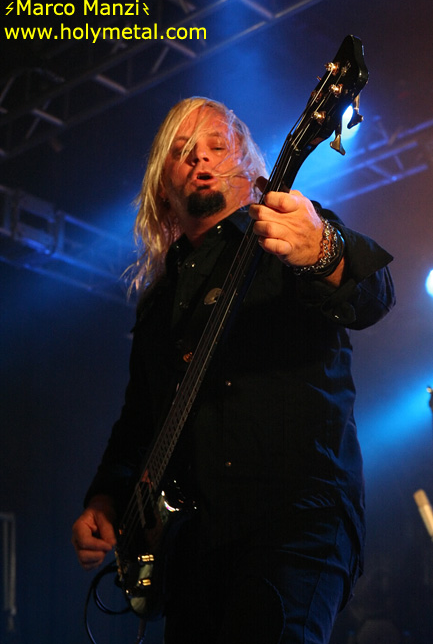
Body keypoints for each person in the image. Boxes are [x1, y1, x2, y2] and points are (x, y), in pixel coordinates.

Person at [71, 97, 395, 643]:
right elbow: (139, 423)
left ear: (247, 165)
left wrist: (323, 250)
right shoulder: (159, 303)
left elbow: (376, 294)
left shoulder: (285, 233)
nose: (200, 158)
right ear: (163, 187)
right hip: (194, 548)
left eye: (216, 146)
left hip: (294, 523)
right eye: (182, 151)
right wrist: (105, 500)